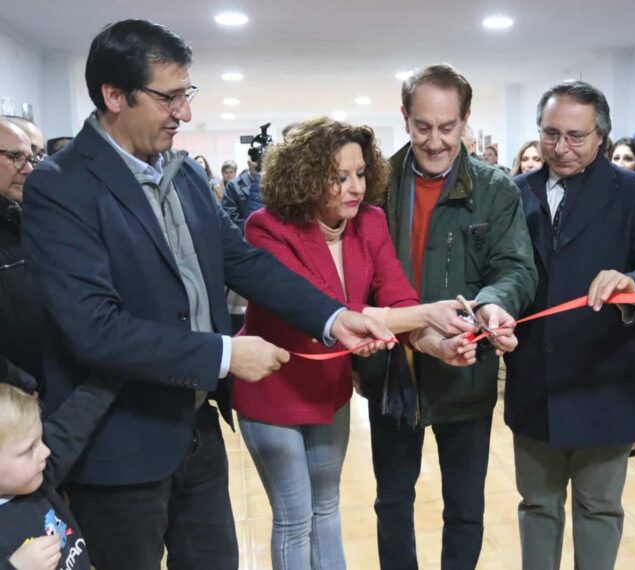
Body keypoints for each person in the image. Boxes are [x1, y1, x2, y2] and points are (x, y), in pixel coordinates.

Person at [21, 19, 393, 570]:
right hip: (122, 439)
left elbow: (244, 262)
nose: (184, 112)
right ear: (114, 95)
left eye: (185, 95)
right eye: (169, 97)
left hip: (194, 430)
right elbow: (93, 327)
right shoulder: (61, 186)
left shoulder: (184, 178)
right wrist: (223, 354)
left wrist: (333, 317)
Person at [232, 117, 477, 569]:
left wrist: (433, 342)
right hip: (273, 389)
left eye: (361, 173)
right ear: (305, 177)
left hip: (329, 388)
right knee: (294, 516)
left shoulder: (371, 222)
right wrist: (426, 313)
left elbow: (396, 294)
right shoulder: (266, 228)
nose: (355, 187)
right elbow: (321, 311)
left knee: (327, 508)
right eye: (338, 177)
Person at [506, 80, 635, 570]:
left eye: (576, 136)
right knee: (538, 505)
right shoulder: (513, 192)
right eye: (550, 134)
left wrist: (631, 281)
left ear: (601, 137)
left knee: (598, 506)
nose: (560, 148)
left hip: (603, 375)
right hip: (533, 377)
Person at [372, 63, 537, 569]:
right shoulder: (377, 184)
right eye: (423, 126)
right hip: (392, 373)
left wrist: (492, 304)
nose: (435, 141)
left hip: (465, 372)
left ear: (466, 120)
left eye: (447, 127)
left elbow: (516, 268)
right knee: (393, 502)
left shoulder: (495, 188)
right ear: (404, 118)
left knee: (465, 508)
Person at [0, 380, 118, 570]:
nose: (45, 451)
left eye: (40, 440)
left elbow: (72, 424)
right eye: (29, 449)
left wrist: (110, 377)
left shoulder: (35, 478)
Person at [0, 119, 45, 395]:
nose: (28, 169)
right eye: (16, 157)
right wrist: (22, 386)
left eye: (31, 158)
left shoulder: (27, 220)